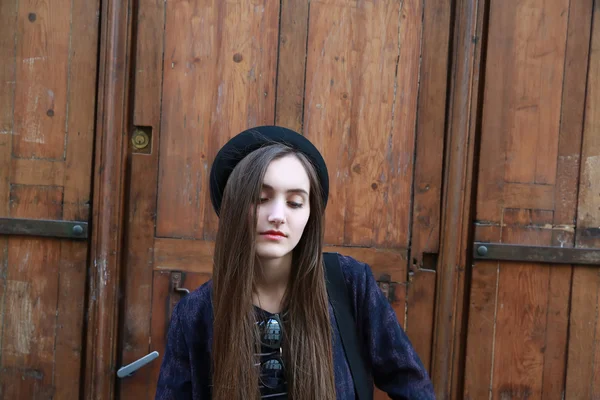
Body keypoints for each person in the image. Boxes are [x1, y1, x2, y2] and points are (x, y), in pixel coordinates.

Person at [155, 126, 435, 400]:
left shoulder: (350, 284)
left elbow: (412, 385)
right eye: (261, 199)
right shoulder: (195, 314)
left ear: (310, 215)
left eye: (295, 203)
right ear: (234, 208)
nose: (278, 215)